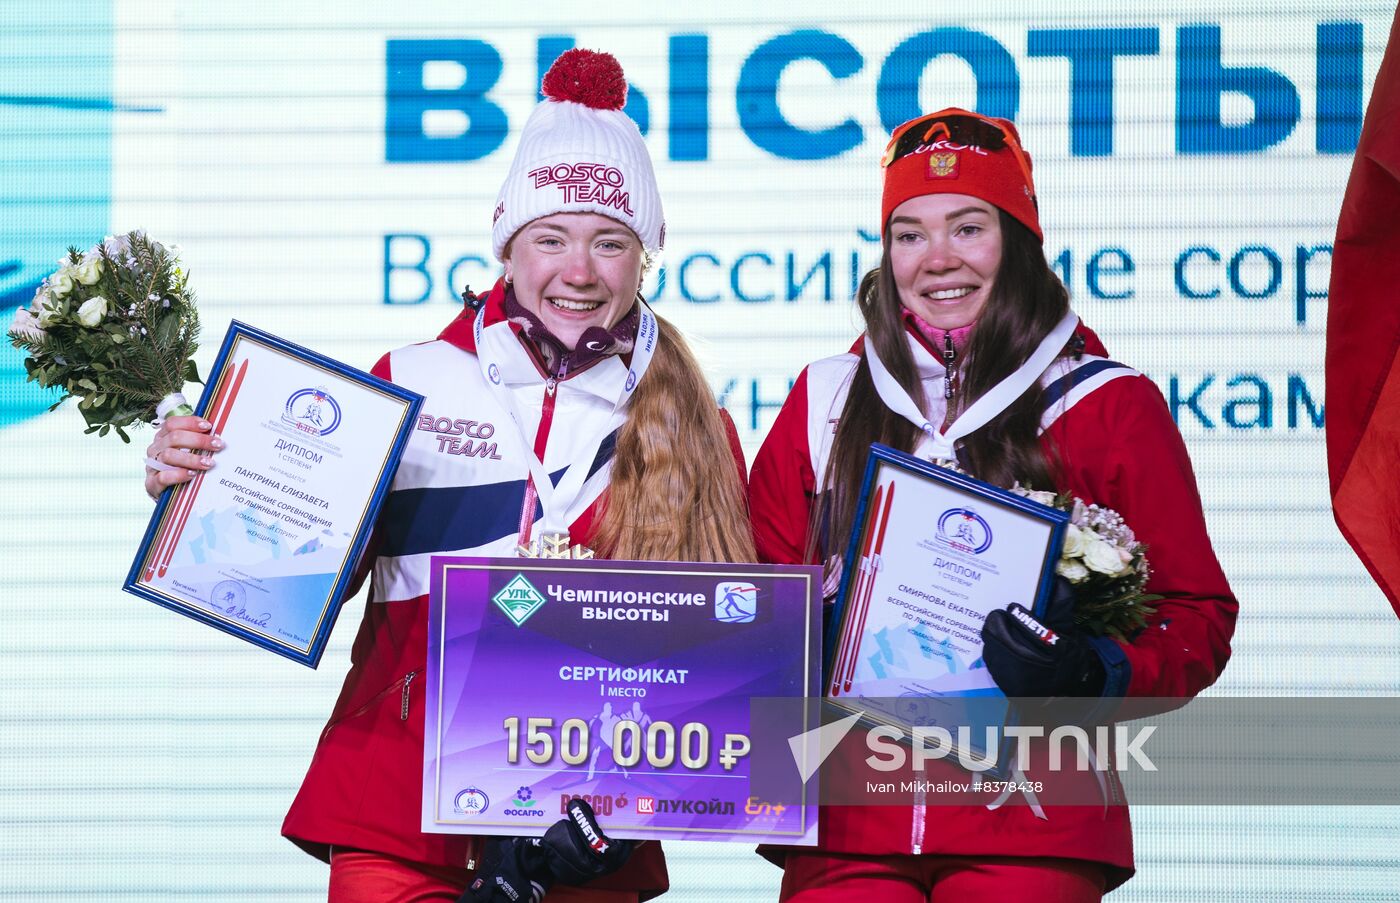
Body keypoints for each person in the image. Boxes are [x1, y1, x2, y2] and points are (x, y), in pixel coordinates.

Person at [143, 49, 755, 903]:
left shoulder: (696, 421)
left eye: (609, 242)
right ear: (508, 244)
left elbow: (722, 667)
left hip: (584, 831)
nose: (578, 272)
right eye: (551, 238)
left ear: (643, 256)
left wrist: (628, 806)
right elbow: (297, 561)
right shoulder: (410, 379)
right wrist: (202, 480)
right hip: (397, 810)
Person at [747, 108, 1237, 900]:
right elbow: (752, 586)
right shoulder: (826, 398)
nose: (937, 260)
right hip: (845, 821)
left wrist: (1094, 671)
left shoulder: (1109, 405)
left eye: (967, 227)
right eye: (909, 234)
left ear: (1018, 239)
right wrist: (815, 624)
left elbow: (1198, 613)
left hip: (1033, 820)